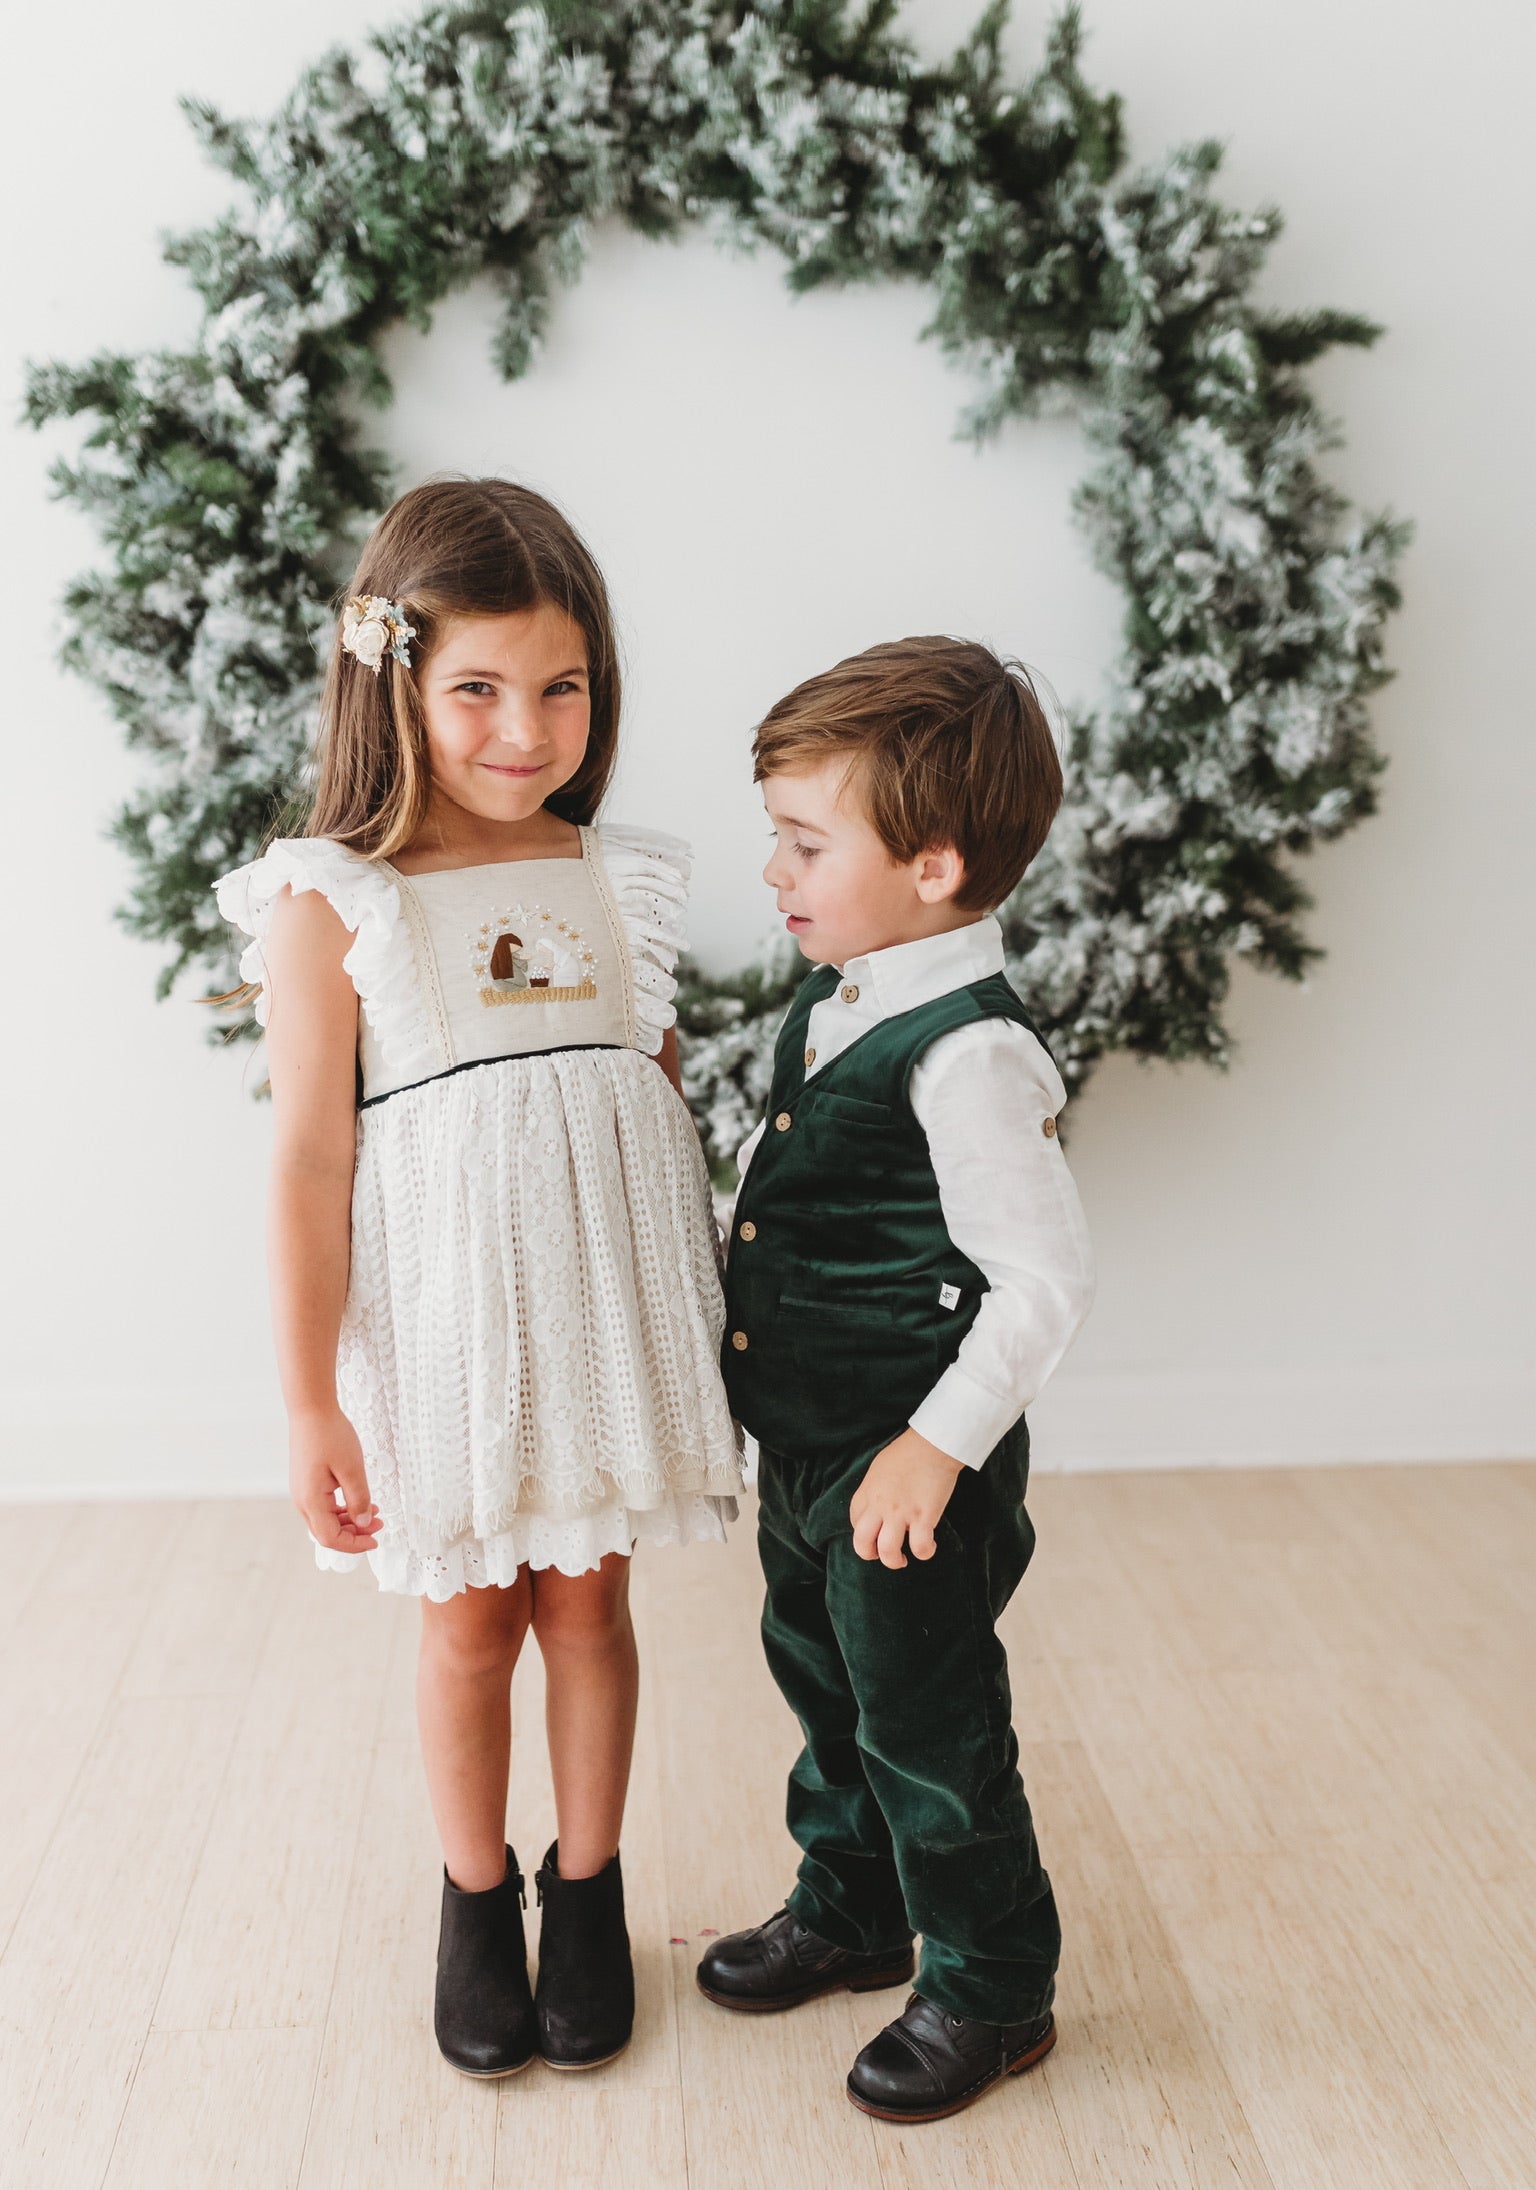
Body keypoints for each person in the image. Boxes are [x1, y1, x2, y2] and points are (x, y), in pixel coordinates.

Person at [217, 478, 743, 2080]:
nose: (526, 730)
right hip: (448, 1331)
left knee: (590, 1604)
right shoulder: (335, 897)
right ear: (393, 680)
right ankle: (472, 1893)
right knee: (469, 1626)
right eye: (478, 689)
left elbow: (641, 1102)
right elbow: (310, 1162)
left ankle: (588, 1886)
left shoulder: (615, 875)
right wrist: (309, 1397)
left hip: (600, 1316)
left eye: (560, 686)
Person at [697, 636, 1095, 2124]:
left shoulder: (970, 1055)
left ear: (934, 867)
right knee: (824, 1683)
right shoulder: (842, 998)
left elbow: (1043, 1279)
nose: (775, 871)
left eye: (806, 844)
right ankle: (855, 1906)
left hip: (908, 1467)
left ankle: (992, 1982)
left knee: (931, 1727)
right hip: (809, 1454)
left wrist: (936, 1448)